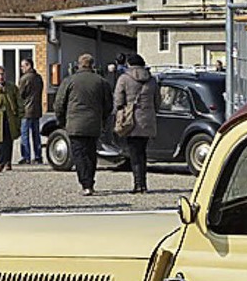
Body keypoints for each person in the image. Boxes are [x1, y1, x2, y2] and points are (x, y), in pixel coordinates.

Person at [54, 53, 113, 196]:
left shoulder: (70, 81)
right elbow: (109, 105)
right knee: (91, 153)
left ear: (78, 64)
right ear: (92, 65)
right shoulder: (101, 82)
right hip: (93, 123)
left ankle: (85, 183)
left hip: (75, 124)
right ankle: (90, 182)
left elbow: (59, 103)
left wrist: (62, 121)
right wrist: (102, 119)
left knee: (79, 154)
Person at [113, 52, 160, 194]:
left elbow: (118, 100)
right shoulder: (152, 80)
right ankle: (143, 184)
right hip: (147, 119)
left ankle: (138, 184)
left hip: (131, 119)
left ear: (129, 64)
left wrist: (119, 112)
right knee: (142, 153)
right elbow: (158, 101)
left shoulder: (124, 78)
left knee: (134, 153)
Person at [0, 66, 23, 172]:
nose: (0, 77)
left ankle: (8, 162)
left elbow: (19, 102)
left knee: (8, 141)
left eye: (2, 74)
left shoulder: (12, 87)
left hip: (10, 118)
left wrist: (20, 115)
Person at [18, 58, 44, 164]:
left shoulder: (25, 78)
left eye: (23, 66)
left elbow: (20, 95)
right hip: (37, 109)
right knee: (36, 134)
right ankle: (38, 156)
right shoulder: (38, 78)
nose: (21, 68)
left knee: (24, 134)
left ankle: (26, 156)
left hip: (26, 110)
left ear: (29, 65)